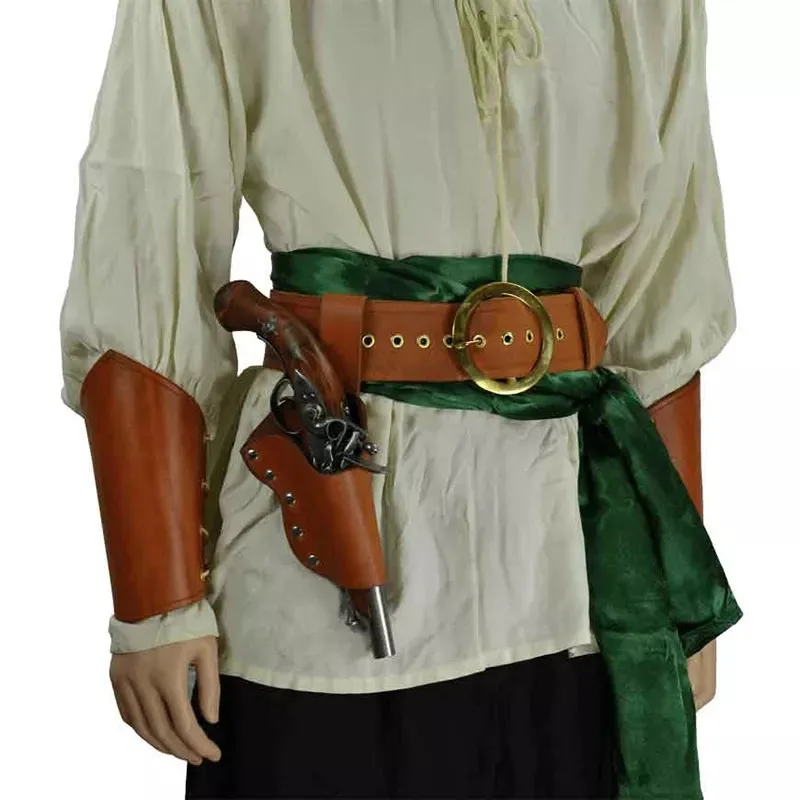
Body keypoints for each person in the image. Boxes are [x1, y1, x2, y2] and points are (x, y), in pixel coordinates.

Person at [60, 1, 741, 797]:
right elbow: (148, 231)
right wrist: (157, 595)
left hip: (574, 577)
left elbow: (661, 294)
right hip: (329, 580)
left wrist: (676, 584)